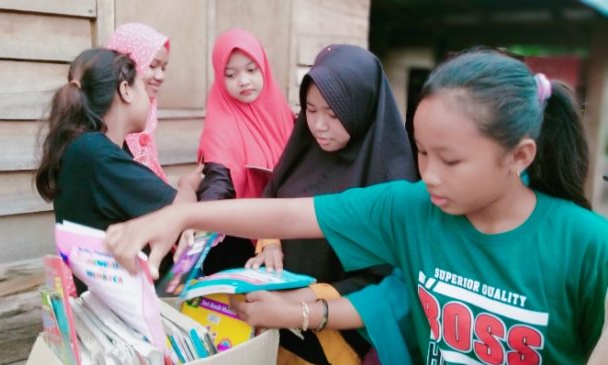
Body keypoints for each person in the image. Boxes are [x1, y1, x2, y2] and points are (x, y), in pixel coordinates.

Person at [104, 49, 608, 364]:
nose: (427, 174)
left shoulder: (586, 244)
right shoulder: (413, 208)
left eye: (449, 160)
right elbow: (292, 214)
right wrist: (182, 213)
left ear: (518, 156)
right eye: (421, 152)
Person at [243, 44, 417, 364]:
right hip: (277, 325)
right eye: (311, 110)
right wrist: (270, 242)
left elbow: (384, 275)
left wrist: (305, 299)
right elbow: (273, 194)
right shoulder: (304, 149)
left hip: (334, 336)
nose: (319, 125)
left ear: (363, 107)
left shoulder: (392, 178)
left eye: (334, 114)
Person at [35, 48, 201, 282]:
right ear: (125, 90)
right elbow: (183, 209)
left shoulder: (84, 147)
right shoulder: (97, 155)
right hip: (129, 305)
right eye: (142, 87)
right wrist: (188, 185)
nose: (150, 98)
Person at [195, 28, 295, 273]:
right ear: (220, 77)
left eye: (251, 70)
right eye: (231, 74)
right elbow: (217, 180)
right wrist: (199, 222)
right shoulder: (220, 123)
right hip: (240, 241)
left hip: (289, 232)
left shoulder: (286, 116)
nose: (244, 81)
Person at [107, 23, 171, 182]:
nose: (160, 76)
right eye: (152, 65)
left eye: (164, 68)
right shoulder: (111, 127)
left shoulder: (147, 114)